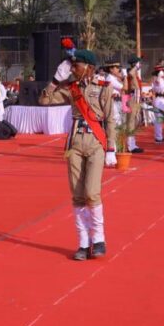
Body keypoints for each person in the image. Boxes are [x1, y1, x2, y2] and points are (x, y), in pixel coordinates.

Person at [40, 50, 115, 260]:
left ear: (89, 68)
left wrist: (111, 148)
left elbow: (109, 119)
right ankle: (83, 242)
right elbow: (44, 100)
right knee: (77, 195)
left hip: (96, 142)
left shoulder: (103, 88)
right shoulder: (70, 88)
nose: (73, 69)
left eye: (76, 65)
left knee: (92, 192)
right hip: (74, 142)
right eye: (71, 66)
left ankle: (99, 238)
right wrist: (56, 80)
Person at [150, 65, 164, 143]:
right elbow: (156, 83)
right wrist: (159, 74)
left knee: (160, 119)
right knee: (158, 119)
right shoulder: (156, 79)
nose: (163, 73)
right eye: (162, 71)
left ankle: (159, 136)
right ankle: (158, 138)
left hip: (163, 99)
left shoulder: (162, 79)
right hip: (159, 98)